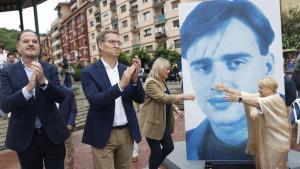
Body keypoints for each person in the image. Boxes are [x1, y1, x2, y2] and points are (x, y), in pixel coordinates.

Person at [180, 0, 275, 160]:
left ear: (267, 67)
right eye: (203, 67)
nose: (218, 84)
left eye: (236, 62)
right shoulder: (189, 143)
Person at [0, 30, 69, 169]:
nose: (31, 44)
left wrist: (43, 81)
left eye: (35, 41)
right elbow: (6, 105)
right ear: (18, 47)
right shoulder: (6, 72)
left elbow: (61, 97)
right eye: (26, 41)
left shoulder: (50, 68)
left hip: (53, 135)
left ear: (39, 46)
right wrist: (28, 88)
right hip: (26, 138)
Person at [81, 29, 145, 169]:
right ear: (100, 45)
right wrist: (121, 85)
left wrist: (135, 81)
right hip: (103, 133)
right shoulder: (88, 72)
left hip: (126, 133)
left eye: (118, 42)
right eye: (112, 42)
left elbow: (140, 99)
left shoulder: (125, 69)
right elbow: (95, 101)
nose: (117, 45)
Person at [215, 77, 291, 169]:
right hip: (269, 140)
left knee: (275, 166)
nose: (259, 90)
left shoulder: (275, 99)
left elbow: (257, 103)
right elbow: (244, 94)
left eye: (261, 87)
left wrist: (239, 99)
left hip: (277, 141)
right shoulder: (264, 96)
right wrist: (226, 89)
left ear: (270, 88)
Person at [139, 57, 195, 169]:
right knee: (156, 151)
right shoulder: (151, 82)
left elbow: (168, 98)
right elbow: (162, 98)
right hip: (152, 123)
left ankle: (153, 165)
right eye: (167, 69)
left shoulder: (162, 80)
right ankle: (153, 166)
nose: (169, 71)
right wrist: (183, 96)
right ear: (160, 69)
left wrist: (176, 109)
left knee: (169, 147)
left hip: (163, 122)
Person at [58, 76, 78, 169]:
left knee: (69, 149)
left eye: (59, 78)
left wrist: (70, 123)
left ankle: (70, 167)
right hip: (52, 128)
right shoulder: (47, 92)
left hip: (66, 126)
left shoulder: (69, 92)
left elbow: (73, 109)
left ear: (62, 80)